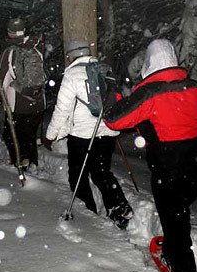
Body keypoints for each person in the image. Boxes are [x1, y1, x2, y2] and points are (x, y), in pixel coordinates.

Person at [103, 39, 197, 272]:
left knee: (175, 221)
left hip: (169, 166)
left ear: (150, 63)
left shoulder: (149, 93)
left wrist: (115, 96)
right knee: (177, 212)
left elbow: (114, 120)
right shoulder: (195, 88)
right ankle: (175, 247)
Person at [43, 40, 133, 229]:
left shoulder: (72, 75)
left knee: (77, 174)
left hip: (81, 135)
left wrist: (50, 135)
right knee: (101, 172)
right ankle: (119, 207)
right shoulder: (105, 69)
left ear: (71, 55)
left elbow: (62, 110)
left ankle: (88, 211)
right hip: (106, 131)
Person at [0, 18, 46, 169]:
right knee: (29, 135)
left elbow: (0, 81)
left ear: (10, 33)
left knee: (11, 135)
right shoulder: (37, 49)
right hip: (39, 102)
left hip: (19, 104)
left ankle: (19, 162)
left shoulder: (9, 53)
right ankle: (32, 161)